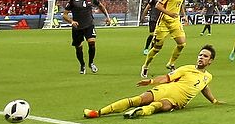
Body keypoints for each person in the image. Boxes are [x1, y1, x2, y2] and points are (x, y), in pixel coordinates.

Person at [84, 44, 221, 118]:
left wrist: (214, 100)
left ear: (211, 61)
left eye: (205, 56)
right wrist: (150, 81)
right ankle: (97, 113)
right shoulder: (186, 68)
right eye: (200, 55)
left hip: (176, 102)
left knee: (158, 106)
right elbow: (166, 78)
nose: (201, 57)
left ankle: (137, 113)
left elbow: (204, 87)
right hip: (164, 90)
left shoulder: (208, 76)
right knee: (136, 99)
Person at [141, 0, 189, 79]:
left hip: (175, 22)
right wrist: (169, 13)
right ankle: (145, 66)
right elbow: (158, 5)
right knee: (157, 48)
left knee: (182, 44)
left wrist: (184, 16)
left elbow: (181, 5)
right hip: (164, 23)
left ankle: (171, 63)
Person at [64, 0, 112, 74]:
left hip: (89, 25)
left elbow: (101, 7)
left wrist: (108, 17)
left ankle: (91, 63)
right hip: (77, 27)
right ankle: (82, 65)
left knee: (92, 43)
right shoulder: (73, 0)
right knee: (79, 48)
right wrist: (71, 21)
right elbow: (65, 14)